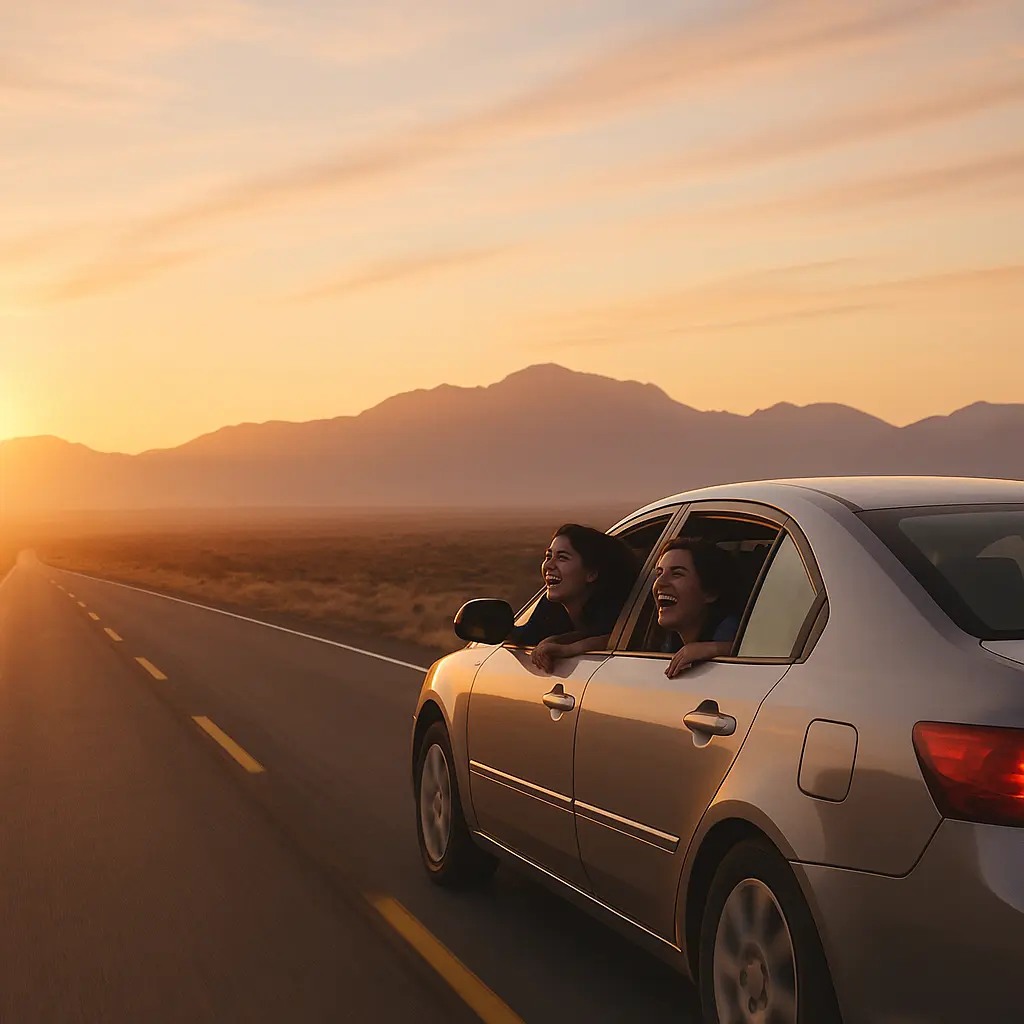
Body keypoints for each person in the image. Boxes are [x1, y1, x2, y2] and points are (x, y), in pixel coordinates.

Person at [508, 524, 637, 672]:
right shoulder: (552, 606)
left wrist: (568, 649)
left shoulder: (622, 610)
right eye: (548, 556)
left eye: (562, 558)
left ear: (592, 573)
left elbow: (617, 638)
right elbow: (527, 636)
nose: (549, 565)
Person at [652, 537, 740, 678]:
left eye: (677, 574)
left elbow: (762, 652)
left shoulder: (733, 630)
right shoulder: (666, 641)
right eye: (659, 573)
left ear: (710, 592)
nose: (659, 582)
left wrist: (716, 649)